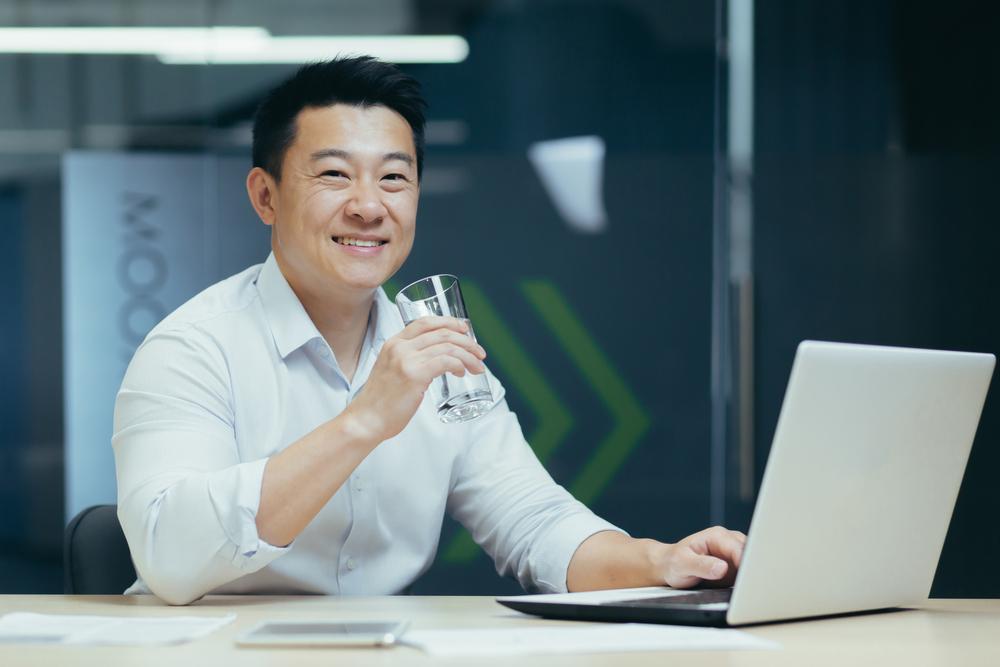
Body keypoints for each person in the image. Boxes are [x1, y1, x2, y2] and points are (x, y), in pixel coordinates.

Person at [113, 56, 746, 606]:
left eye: (393, 177)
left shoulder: (436, 349)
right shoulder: (193, 348)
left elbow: (533, 521)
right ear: (266, 196)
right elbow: (168, 559)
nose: (368, 204)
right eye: (334, 174)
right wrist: (364, 421)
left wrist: (658, 564)